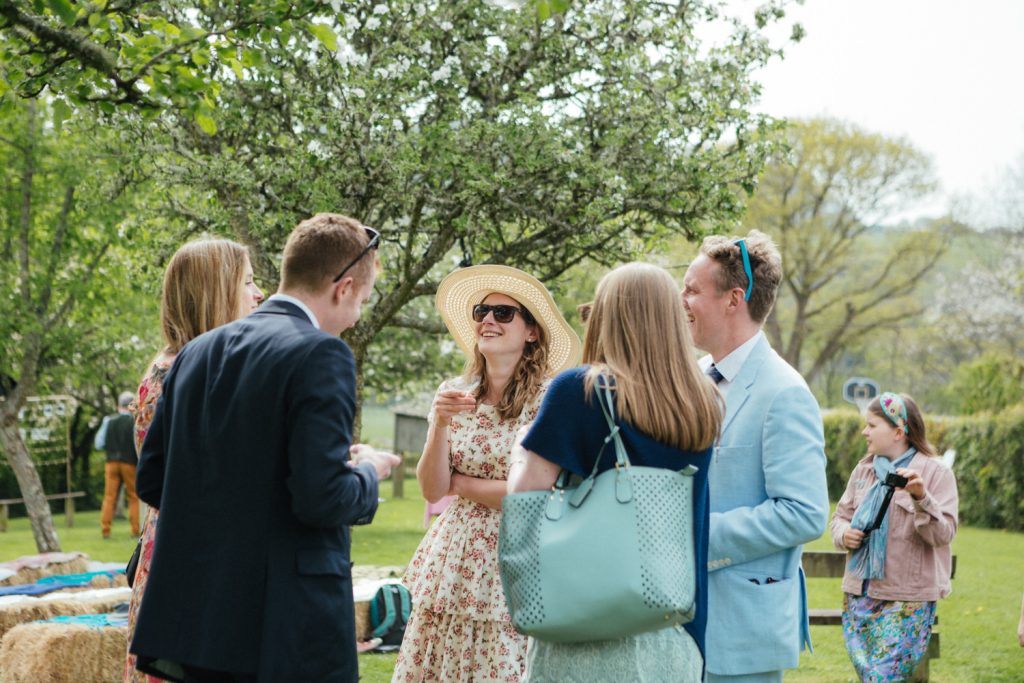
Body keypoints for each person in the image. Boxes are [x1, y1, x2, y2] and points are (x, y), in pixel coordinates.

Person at [130, 214, 400, 683]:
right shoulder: (323, 353)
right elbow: (323, 499)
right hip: (287, 628)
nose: (357, 316)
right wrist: (370, 472)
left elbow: (153, 480)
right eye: (363, 300)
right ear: (344, 287)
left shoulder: (197, 351)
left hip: (201, 623)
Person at [507, 262, 721, 682]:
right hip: (674, 629)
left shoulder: (579, 390)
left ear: (607, 316)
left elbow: (524, 494)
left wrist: (520, 446)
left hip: (585, 624)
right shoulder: (702, 399)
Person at [392, 264, 581, 683]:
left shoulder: (549, 398)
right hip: (455, 562)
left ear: (532, 332)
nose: (488, 320)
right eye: (481, 312)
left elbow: (536, 494)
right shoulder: (456, 394)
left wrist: (462, 484)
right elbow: (431, 488)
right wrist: (439, 424)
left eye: (503, 313)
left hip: (518, 558)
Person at [681, 230, 830, 683]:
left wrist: (694, 537)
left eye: (691, 289)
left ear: (734, 299)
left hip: (740, 629)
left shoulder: (784, 392)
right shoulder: (692, 380)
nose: (680, 299)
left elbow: (804, 513)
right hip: (675, 620)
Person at [124, 238, 265, 683]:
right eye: (247, 282)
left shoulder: (182, 366)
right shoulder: (186, 374)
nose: (259, 293)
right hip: (190, 563)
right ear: (215, 293)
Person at [830, 392, 958, 682]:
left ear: (898, 431)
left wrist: (921, 498)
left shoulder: (935, 473)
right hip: (859, 596)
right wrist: (844, 534)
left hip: (906, 602)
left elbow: (943, 534)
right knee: (870, 677)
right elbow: (839, 517)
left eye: (872, 425)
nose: (865, 431)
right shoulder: (863, 471)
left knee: (883, 678)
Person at [96, 391, 141, 539]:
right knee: (133, 496)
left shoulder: (108, 420)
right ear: (131, 405)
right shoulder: (135, 422)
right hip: (129, 463)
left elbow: (99, 444)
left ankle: (105, 530)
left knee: (109, 497)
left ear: (118, 406)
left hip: (111, 462)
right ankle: (135, 530)